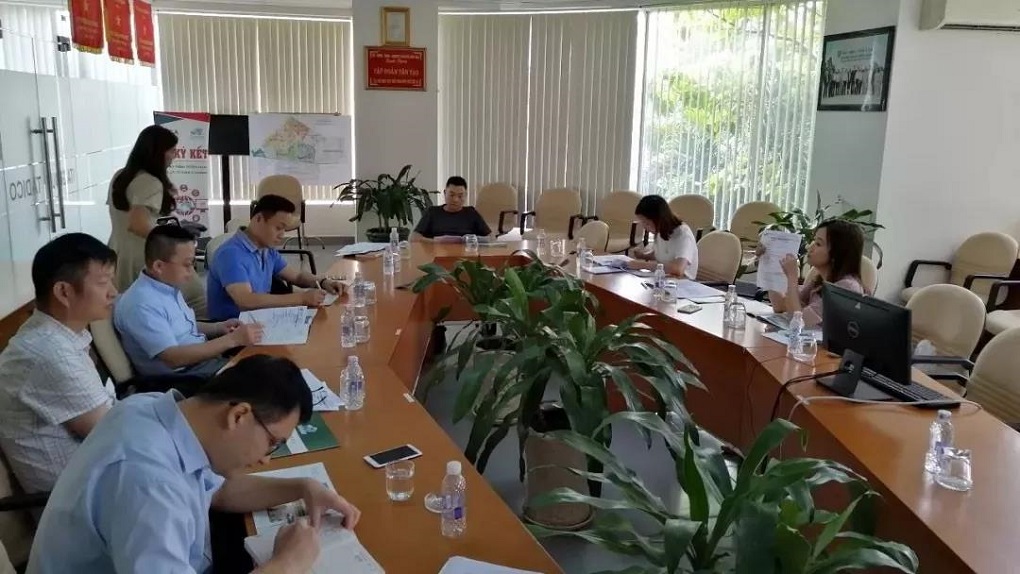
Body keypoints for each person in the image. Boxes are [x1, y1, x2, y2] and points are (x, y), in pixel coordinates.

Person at [27, 354, 362, 573]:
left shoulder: (156, 411)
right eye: (272, 442)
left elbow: (215, 491)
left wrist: (302, 487)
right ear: (239, 415)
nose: (266, 458)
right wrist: (287, 564)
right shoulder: (148, 482)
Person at [0, 234, 118, 494]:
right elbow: (115, 436)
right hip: (84, 501)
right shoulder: (47, 352)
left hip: (100, 479)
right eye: (103, 282)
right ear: (64, 292)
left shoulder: (61, 337)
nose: (113, 292)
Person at [114, 225, 264, 379]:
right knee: (265, 375)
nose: (191, 272)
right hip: (185, 376)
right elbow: (173, 358)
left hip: (201, 360)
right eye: (187, 264)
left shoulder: (165, 286)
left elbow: (182, 328)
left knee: (266, 360)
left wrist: (218, 327)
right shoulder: (142, 304)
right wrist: (233, 339)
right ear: (159, 266)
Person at [108, 125, 207, 317]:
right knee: (195, 297)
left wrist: (176, 227)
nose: (174, 156)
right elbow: (137, 224)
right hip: (144, 255)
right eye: (171, 151)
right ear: (157, 153)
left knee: (133, 308)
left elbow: (130, 218)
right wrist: (173, 239)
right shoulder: (150, 182)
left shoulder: (120, 176)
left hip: (119, 252)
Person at [206, 194, 344, 321]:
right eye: (278, 228)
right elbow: (246, 301)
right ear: (258, 219)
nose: (282, 235)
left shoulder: (266, 249)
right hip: (233, 329)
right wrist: (302, 298)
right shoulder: (230, 254)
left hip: (261, 319)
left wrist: (323, 282)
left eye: (284, 229)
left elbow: (296, 277)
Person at [767, 219, 867, 327]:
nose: (809, 247)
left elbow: (799, 322)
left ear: (837, 253)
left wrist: (792, 277)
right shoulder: (819, 281)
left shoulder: (847, 287)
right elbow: (781, 306)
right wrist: (771, 262)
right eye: (813, 241)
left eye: (818, 244)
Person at [627, 195, 699, 280]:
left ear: (659, 220)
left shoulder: (683, 234)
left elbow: (678, 269)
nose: (644, 227)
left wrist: (643, 265)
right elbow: (662, 254)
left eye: (647, 223)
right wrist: (642, 256)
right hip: (664, 279)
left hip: (682, 283)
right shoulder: (661, 231)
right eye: (642, 222)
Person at [411, 176, 491, 242]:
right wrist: (435, 241)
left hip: (465, 254)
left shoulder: (471, 213)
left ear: (465, 195)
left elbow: (490, 237)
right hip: (437, 253)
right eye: (452, 195)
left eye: (460, 196)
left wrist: (472, 240)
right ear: (445, 193)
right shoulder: (433, 212)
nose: (455, 200)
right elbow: (414, 237)